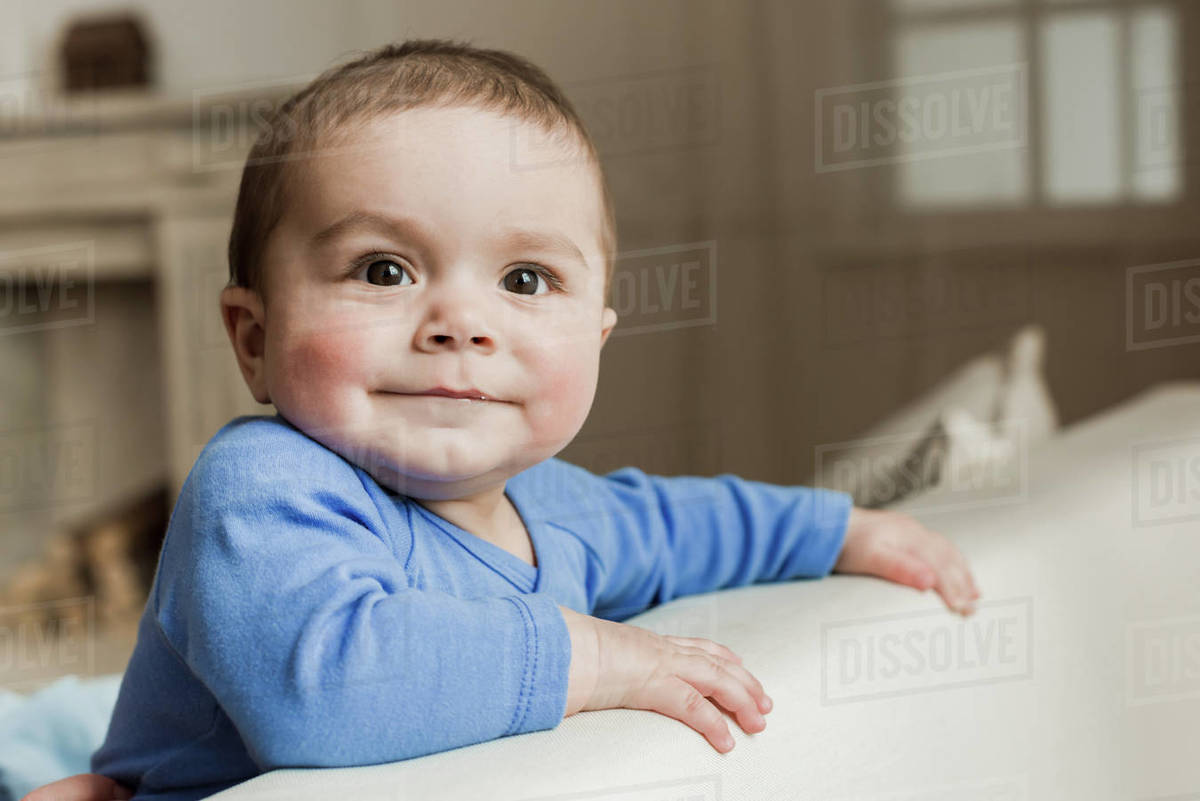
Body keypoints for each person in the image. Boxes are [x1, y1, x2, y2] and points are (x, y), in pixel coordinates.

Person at [27, 39, 979, 801]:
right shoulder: (264, 486)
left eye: (526, 279)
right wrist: (599, 657)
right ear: (254, 337)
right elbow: (318, 692)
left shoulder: (564, 510)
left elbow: (692, 524)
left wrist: (843, 528)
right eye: (382, 269)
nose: (460, 323)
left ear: (600, 336)